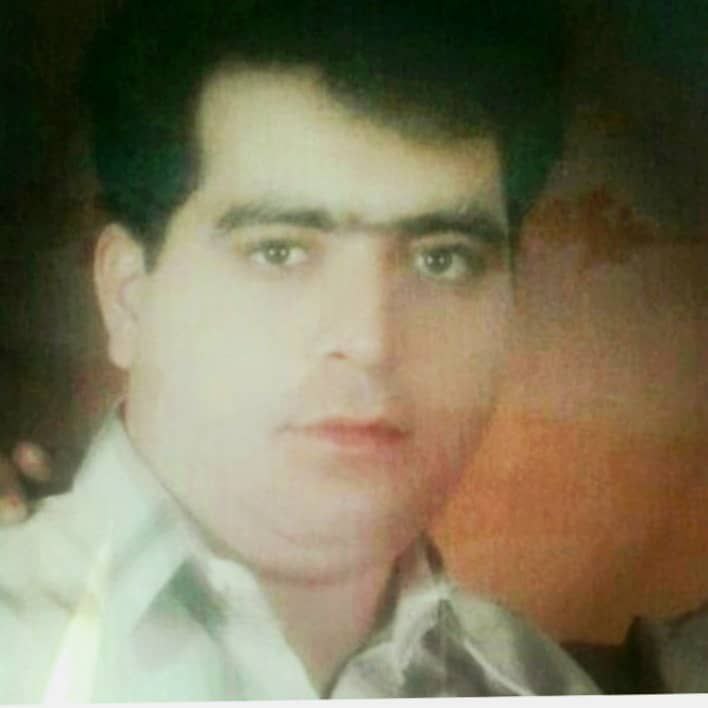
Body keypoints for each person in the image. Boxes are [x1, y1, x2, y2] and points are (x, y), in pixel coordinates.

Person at [0, 0, 599, 700]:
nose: (370, 341)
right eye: (279, 251)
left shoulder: (541, 686)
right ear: (128, 295)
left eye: (442, 259)